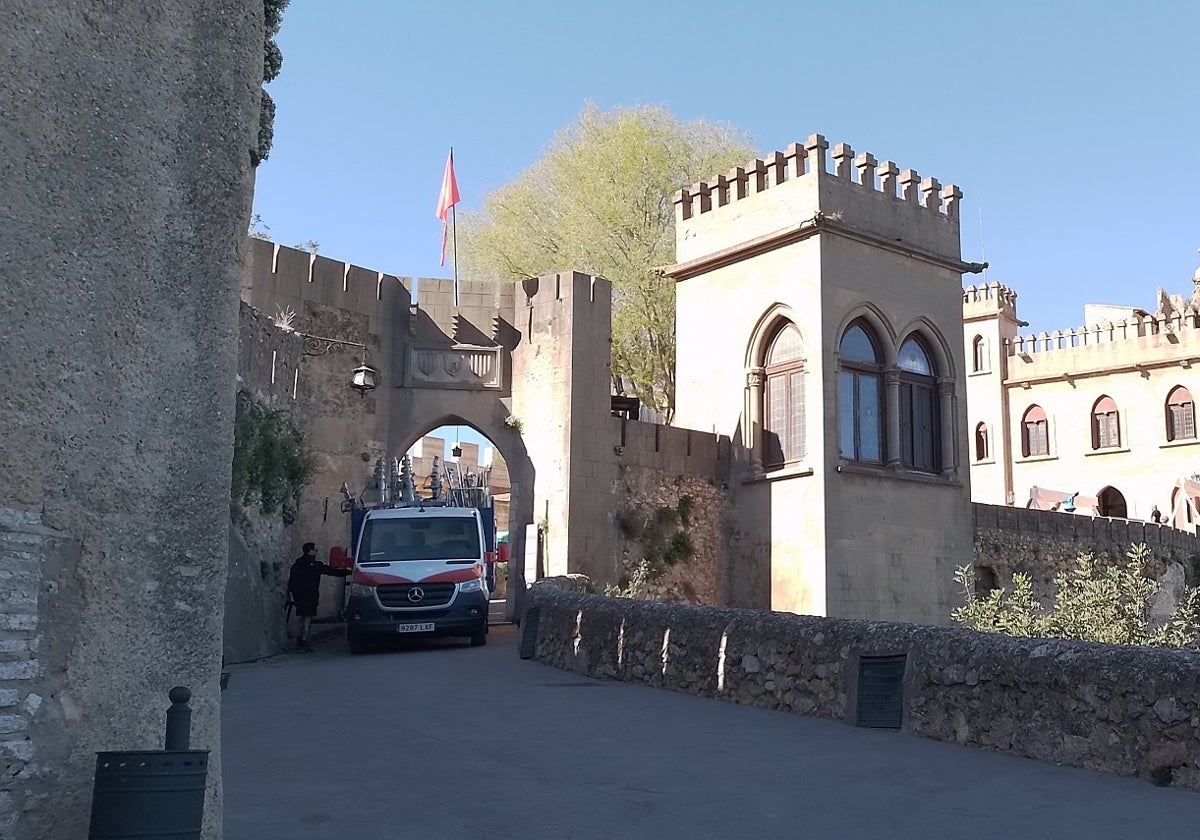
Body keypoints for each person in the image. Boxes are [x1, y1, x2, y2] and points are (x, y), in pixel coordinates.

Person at [286, 542, 350, 652]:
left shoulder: (296, 565)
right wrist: (349, 572)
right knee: (308, 619)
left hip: (299, 597)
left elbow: (291, 582)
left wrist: (293, 595)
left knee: (302, 617)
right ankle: (304, 641)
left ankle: (299, 639)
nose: (316, 552)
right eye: (315, 550)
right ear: (310, 551)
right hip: (311, 596)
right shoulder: (315, 565)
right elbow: (332, 571)